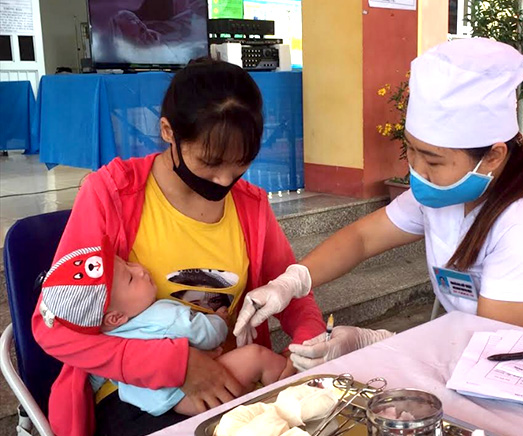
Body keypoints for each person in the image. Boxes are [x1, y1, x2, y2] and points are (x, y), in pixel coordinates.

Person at [233, 38, 523, 371]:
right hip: (503, 368)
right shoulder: (447, 193)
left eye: (433, 160)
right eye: (410, 150)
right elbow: (360, 238)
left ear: (494, 156)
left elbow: (491, 347)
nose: (416, 169)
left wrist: (376, 342)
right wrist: (290, 282)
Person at [32, 59, 325, 436]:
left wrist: (306, 352)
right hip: (131, 393)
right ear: (169, 131)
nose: (223, 180)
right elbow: (52, 328)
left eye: (240, 166)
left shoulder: (250, 205)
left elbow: (294, 295)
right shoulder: (112, 195)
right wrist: (175, 365)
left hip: (225, 380)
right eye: (209, 162)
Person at [38, 241, 295, 418]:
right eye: (130, 277)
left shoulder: (105, 334)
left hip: (150, 404)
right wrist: (220, 321)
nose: (139, 269)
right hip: (188, 395)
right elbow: (206, 335)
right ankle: (289, 391)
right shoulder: (164, 314)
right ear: (115, 316)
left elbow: (97, 378)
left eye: (128, 263)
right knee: (255, 356)